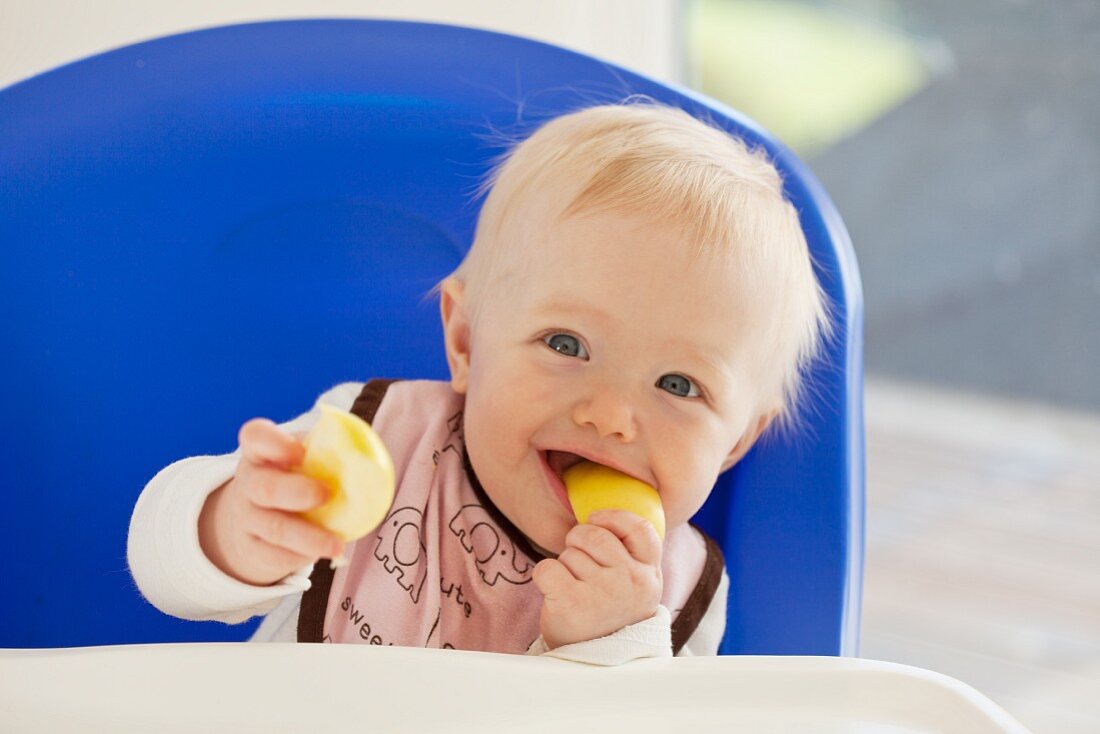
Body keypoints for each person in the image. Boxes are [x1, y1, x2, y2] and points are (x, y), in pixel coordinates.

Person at [128, 101, 830, 665]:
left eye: (678, 384)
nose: (612, 415)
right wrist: (234, 529)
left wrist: (611, 645)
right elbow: (164, 574)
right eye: (567, 344)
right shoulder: (377, 437)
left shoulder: (679, 591)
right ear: (466, 341)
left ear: (738, 439)